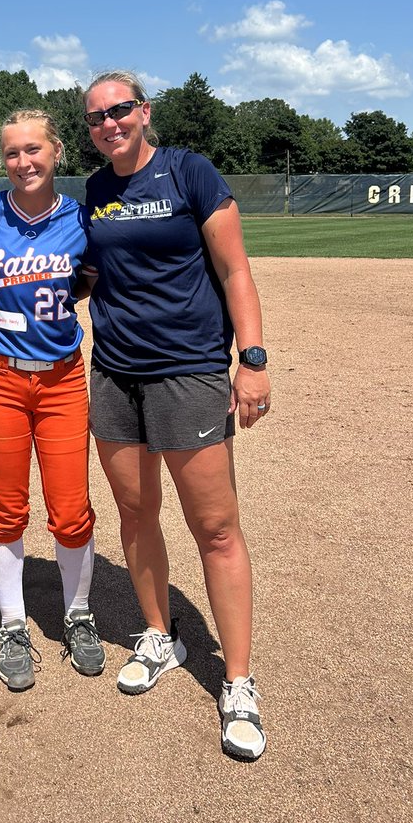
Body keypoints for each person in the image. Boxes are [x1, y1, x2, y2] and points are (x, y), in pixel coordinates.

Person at [81, 71, 271, 761]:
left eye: (120, 110)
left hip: (188, 372)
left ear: (143, 112)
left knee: (215, 527)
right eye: (96, 117)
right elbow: (92, 276)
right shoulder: (95, 193)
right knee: (134, 512)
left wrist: (250, 358)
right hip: (114, 377)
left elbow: (235, 270)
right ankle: (161, 635)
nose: (109, 123)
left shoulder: (189, 172)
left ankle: (239, 681)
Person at [0, 109, 104, 690]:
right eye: (12, 153)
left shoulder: (81, 218)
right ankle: (13, 624)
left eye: (33, 150)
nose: (23, 162)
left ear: (56, 153)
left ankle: (77, 614)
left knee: (70, 509)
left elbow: (89, 278)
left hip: (61, 379)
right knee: (5, 506)